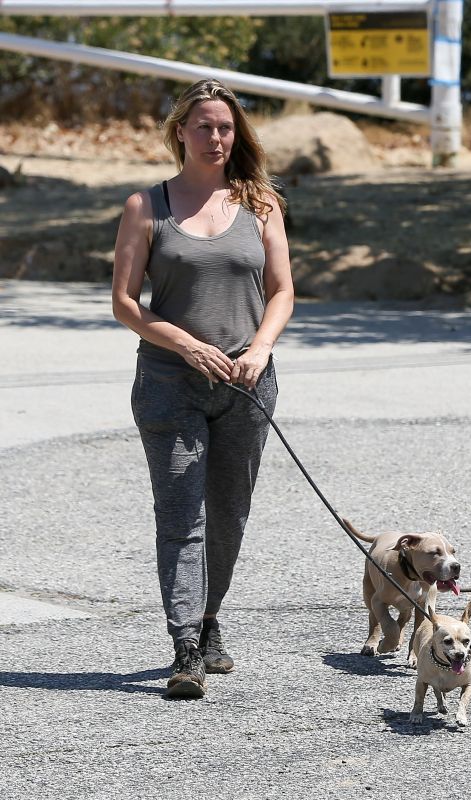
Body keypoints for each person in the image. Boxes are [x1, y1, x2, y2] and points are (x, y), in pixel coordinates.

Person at [112, 79, 294, 699]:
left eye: (225, 127)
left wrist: (261, 347)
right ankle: (185, 643)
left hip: (246, 386)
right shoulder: (148, 206)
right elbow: (124, 304)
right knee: (180, 516)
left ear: (236, 132)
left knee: (228, 517)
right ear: (180, 133)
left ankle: (210, 617)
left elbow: (282, 292)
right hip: (170, 386)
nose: (215, 137)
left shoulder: (261, 203)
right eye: (203, 127)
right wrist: (184, 343)